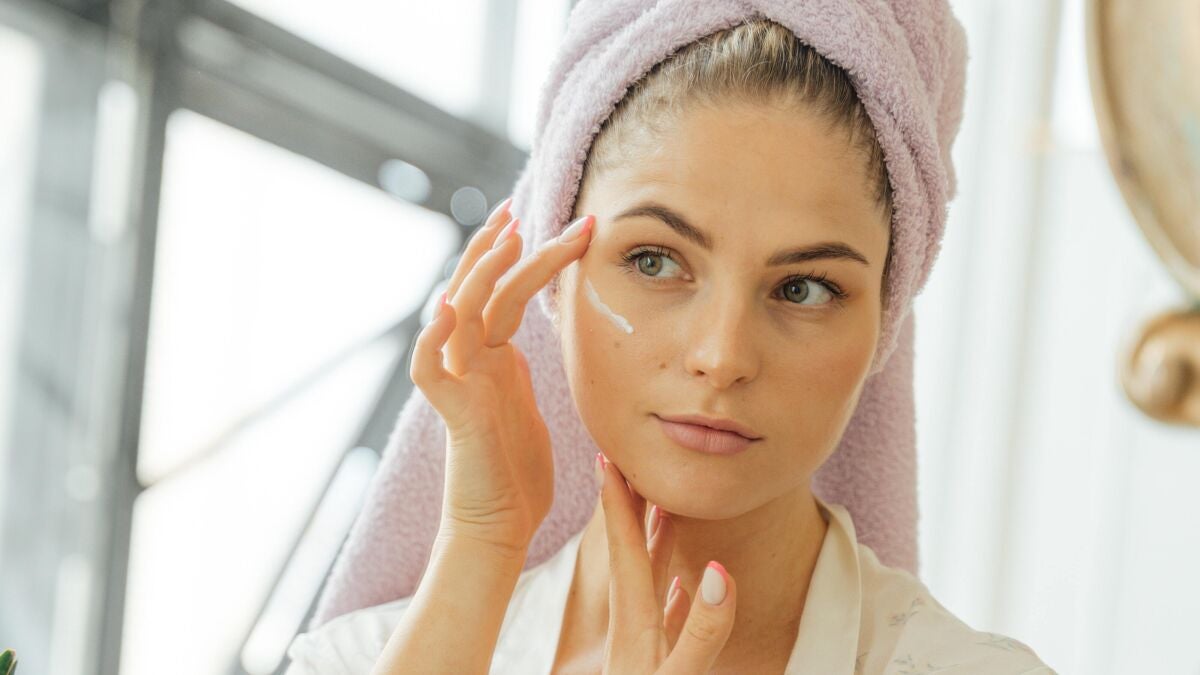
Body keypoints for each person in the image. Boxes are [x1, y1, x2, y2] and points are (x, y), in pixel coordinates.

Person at [285, 10, 1057, 675]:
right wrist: (480, 542)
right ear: (553, 274)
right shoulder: (361, 658)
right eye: (655, 261)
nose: (722, 357)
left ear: (884, 318)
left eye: (804, 287)